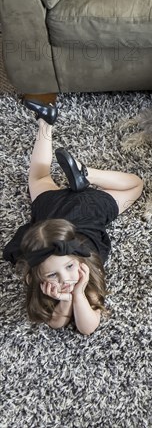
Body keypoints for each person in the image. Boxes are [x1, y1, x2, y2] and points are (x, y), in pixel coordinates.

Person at [3, 99, 143, 335]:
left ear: (77, 255)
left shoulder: (86, 263)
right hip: (50, 208)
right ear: (37, 275)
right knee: (38, 177)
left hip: (85, 210)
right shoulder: (43, 277)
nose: (66, 278)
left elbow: (87, 327)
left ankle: (83, 169)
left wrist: (77, 292)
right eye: (53, 274)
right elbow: (65, 324)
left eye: (68, 266)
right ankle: (49, 128)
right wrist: (72, 296)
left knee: (136, 186)